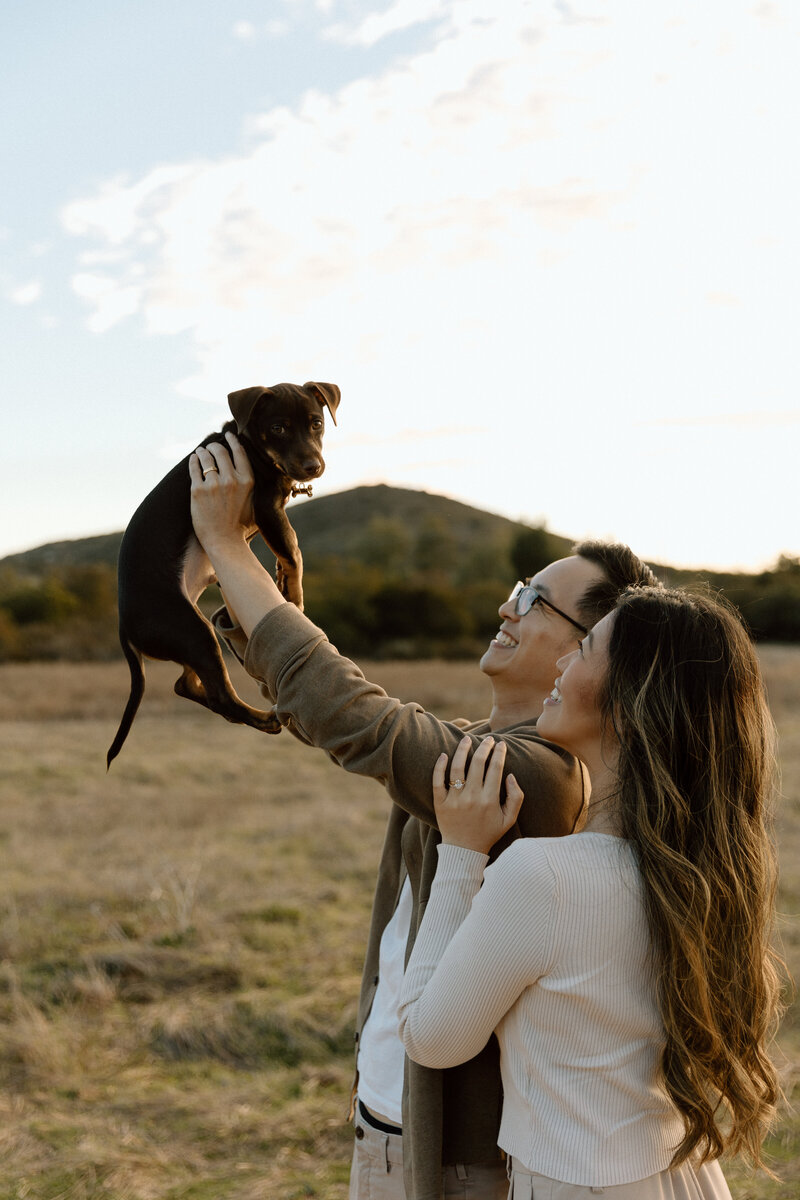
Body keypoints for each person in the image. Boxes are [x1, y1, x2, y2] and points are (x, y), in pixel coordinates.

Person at [187, 431, 659, 1199]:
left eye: (536, 600)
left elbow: (358, 720)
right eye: (520, 585)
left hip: (451, 1159)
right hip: (390, 1119)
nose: (509, 605)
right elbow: (334, 721)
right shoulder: (479, 745)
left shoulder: (535, 776)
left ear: (594, 653)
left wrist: (223, 546)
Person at [398, 587, 784, 1198]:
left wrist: (461, 852)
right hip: (686, 1176)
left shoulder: (542, 876)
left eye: (582, 650)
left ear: (629, 700)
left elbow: (432, 1038)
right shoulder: (705, 871)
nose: (559, 663)